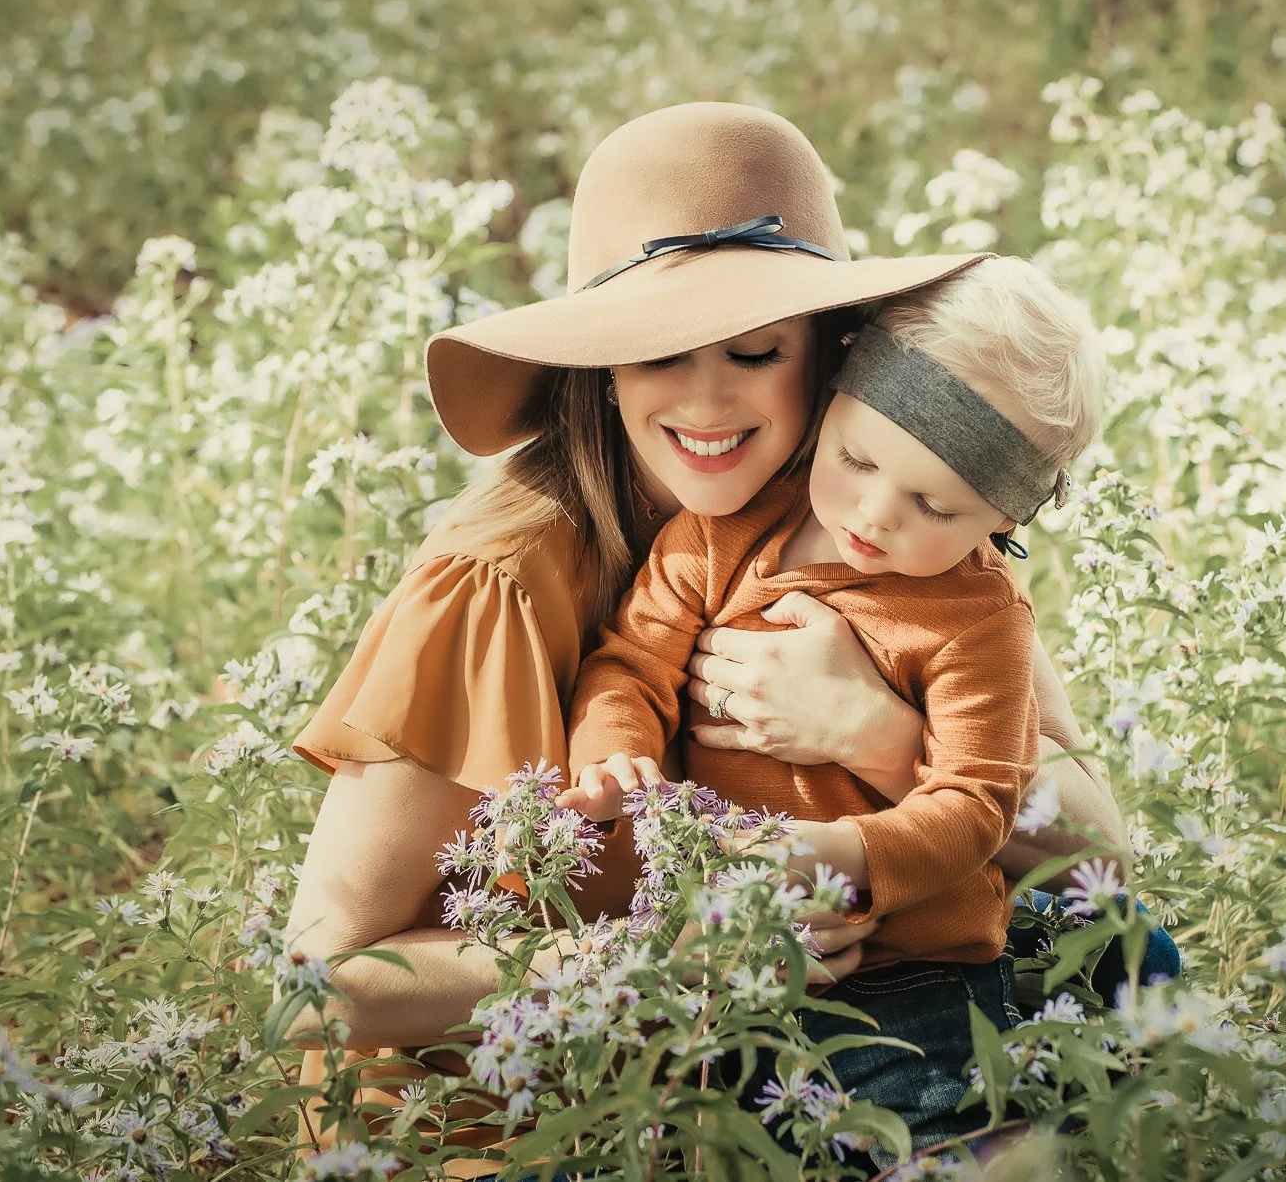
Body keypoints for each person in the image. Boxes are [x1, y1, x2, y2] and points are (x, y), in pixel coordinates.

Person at [280, 102, 1136, 1166]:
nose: (706, 398)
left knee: (1118, 961)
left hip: (801, 1045)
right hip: (547, 1121)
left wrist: (869, 733)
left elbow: (1097, 849)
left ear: (830, 358)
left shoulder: (876, 511)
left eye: (754, 349)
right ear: (597, 367)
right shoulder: (496, 581)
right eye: (655, 355)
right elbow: (317, 987)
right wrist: (659, 961)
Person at [555, 255, 1106, 1165]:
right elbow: (630, 663)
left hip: (912, 976)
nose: (875, 515)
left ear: (998, 522)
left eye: (935, 504)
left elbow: (979, 805)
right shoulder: (722, 533)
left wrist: (840, 857)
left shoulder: (979, 617)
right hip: (728, 961)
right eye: (855, 459)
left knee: (933, 1146)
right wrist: (615, 752)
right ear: (832, 406)